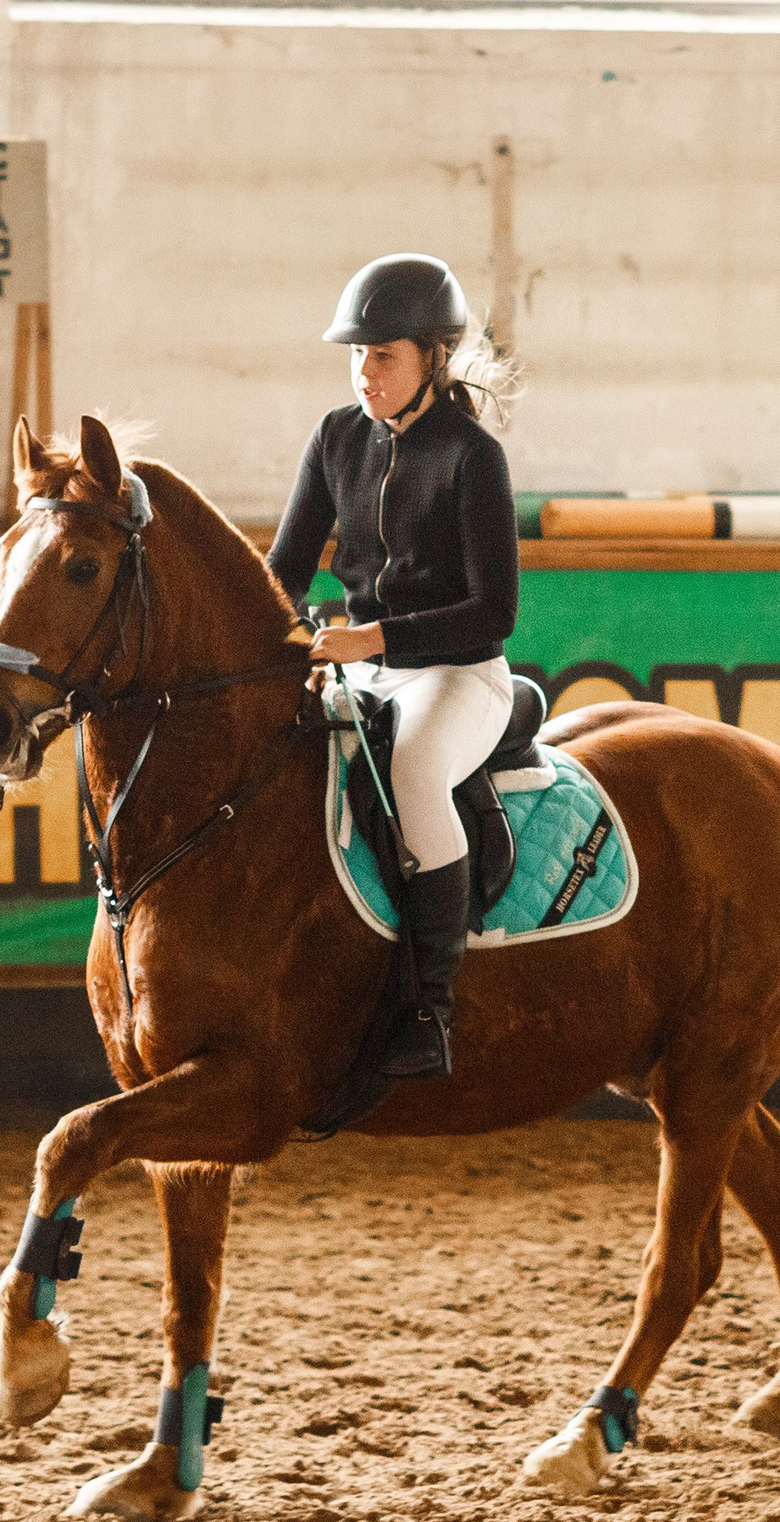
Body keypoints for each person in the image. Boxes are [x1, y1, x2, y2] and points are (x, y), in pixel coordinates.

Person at [267, 253, 523, 1080]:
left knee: (413, 770)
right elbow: (284, 572)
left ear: (433, 360)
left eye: (384, 356)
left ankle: (428, 1007)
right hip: (362, 669)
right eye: (357, 354)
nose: (364, 372)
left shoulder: (474, 458)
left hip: (460, 674)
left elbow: (494, 613)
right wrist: (291, 633)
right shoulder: (337, 437)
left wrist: (367, 641)